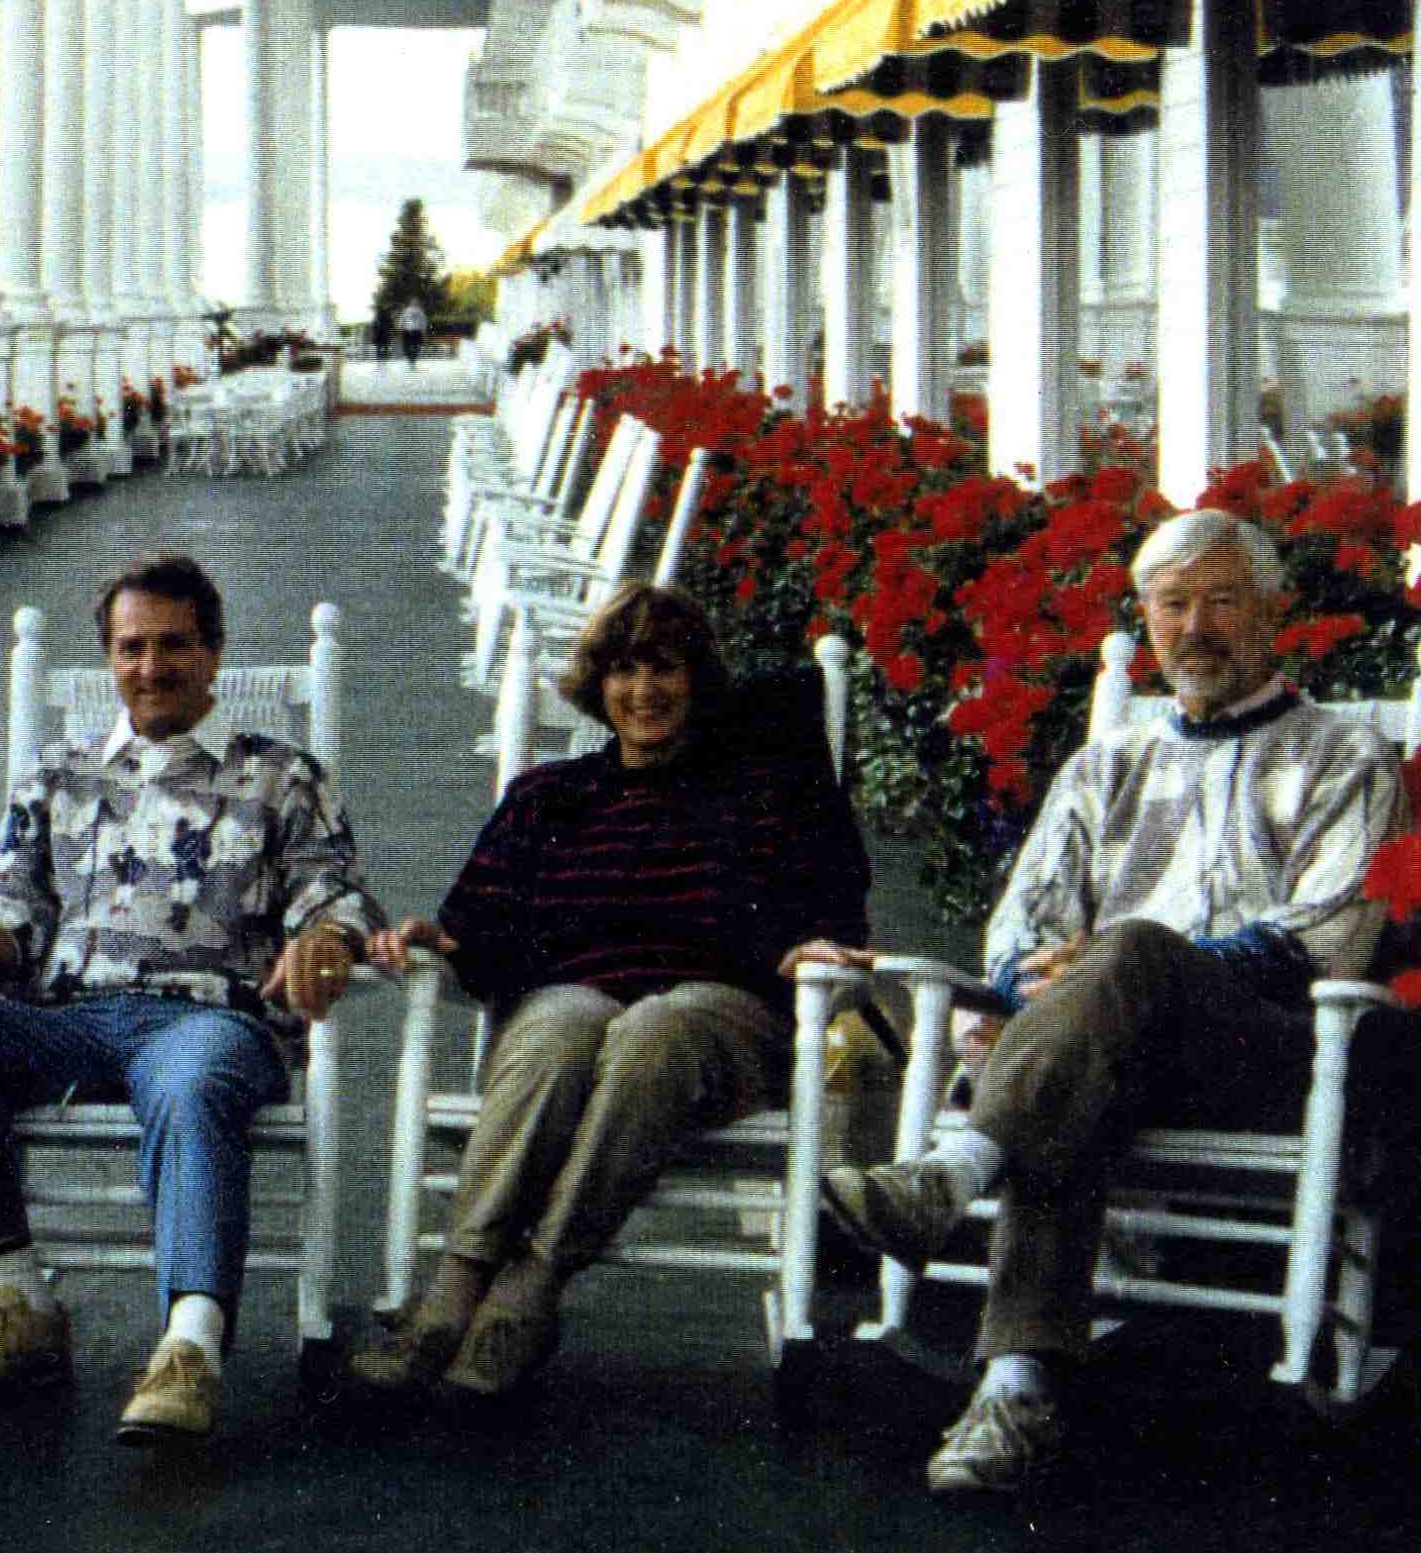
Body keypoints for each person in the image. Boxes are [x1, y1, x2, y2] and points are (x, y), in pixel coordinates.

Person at [820, 509, 1412, 1495]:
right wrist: (1038, 979)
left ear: (1274, 611)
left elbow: (1328, 932)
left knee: (1129, 953)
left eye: (1221, 601)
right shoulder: (1105, 766)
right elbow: (1022, 922)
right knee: (1076, 1056)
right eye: (1172, 606)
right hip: (1098, 1058)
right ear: (1146, 619)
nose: (1195, 628)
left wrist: (1118, 969)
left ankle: (956, 1170)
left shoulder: (1343, 754)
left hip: (1263, 1056)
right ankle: (1011, 1391)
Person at [0, 552, 382, 1446]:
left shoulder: (283, 775)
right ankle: (18, 1301)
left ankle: (190, 1347)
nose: (151, 667)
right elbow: (12, 905)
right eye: (131, 648)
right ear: (109, 658)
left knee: (192, 1082)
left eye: (173, 645)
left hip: (211, 1020)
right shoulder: (58, 773)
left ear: (214, 653)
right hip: (71, 1020)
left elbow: (333, 895)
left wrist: (325, 939)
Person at [355, 583, 871, 1400]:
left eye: (664, 668)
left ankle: (530, 1288)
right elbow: (479, 929)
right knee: (559, 1023)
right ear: (597, 686)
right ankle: (453, 1292)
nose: (644, 690)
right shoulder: (548, 798)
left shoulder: (762, 792)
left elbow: (833, 909)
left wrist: (811, 941)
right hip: (580, 1001)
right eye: (624, 671)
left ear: (697, 680)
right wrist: (439, 940)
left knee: (654, 1027)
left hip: (721, 1016)